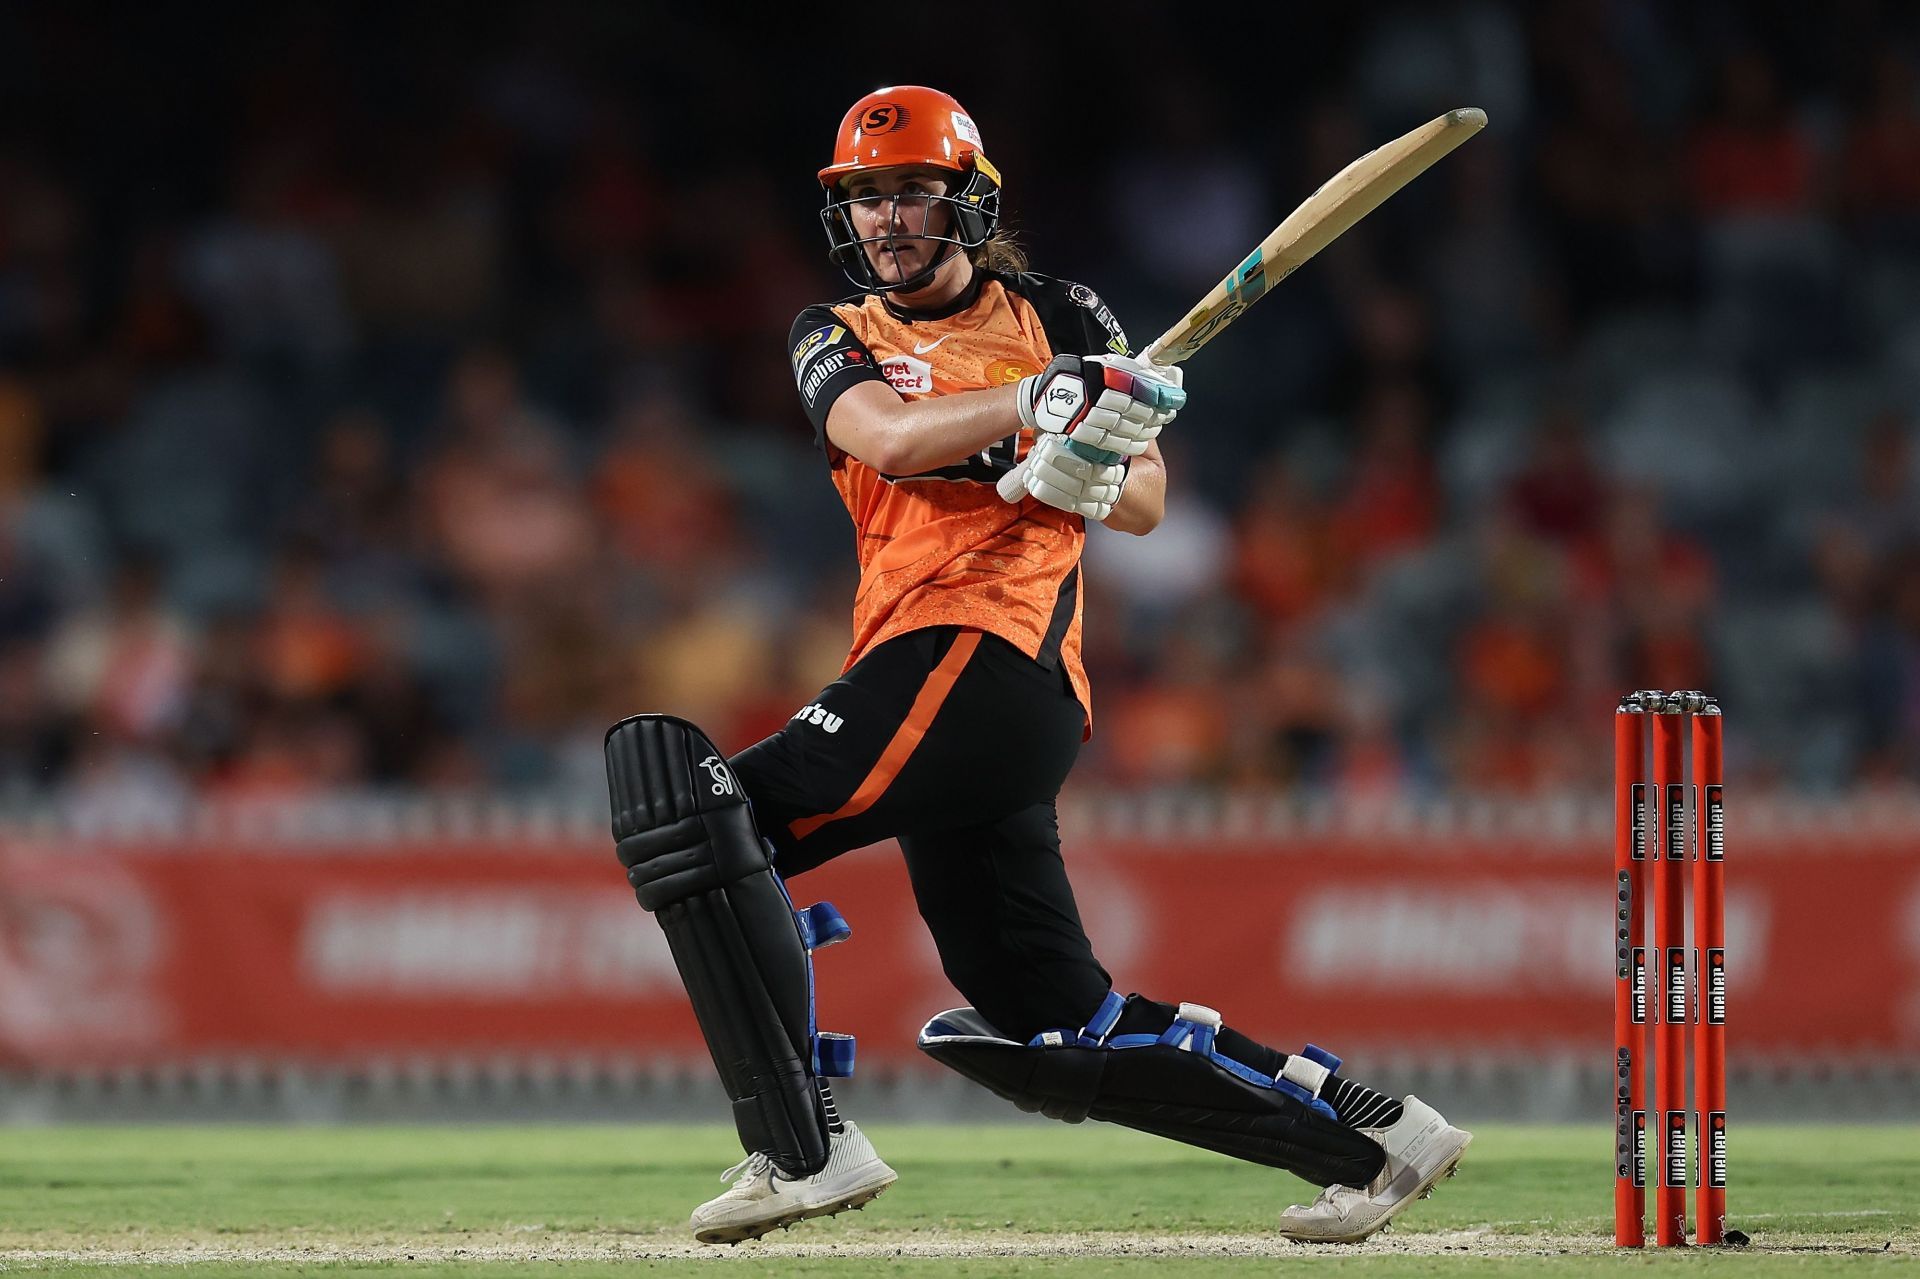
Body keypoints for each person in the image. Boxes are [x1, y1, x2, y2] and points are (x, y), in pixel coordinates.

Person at [603, 85, 1470, 1247]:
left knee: (703, 812)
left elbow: (1153, 499)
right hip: (946, 685)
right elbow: (894, 438)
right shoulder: (835, 333)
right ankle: (1376, 1136)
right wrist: (1031, 412)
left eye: (910, 191)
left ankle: (799, 1145)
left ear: (968, 202)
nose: (887, 220)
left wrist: (1093, 466)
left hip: (986, 653)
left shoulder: (1059, 309)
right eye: (864, 200)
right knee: (1052, 1022)